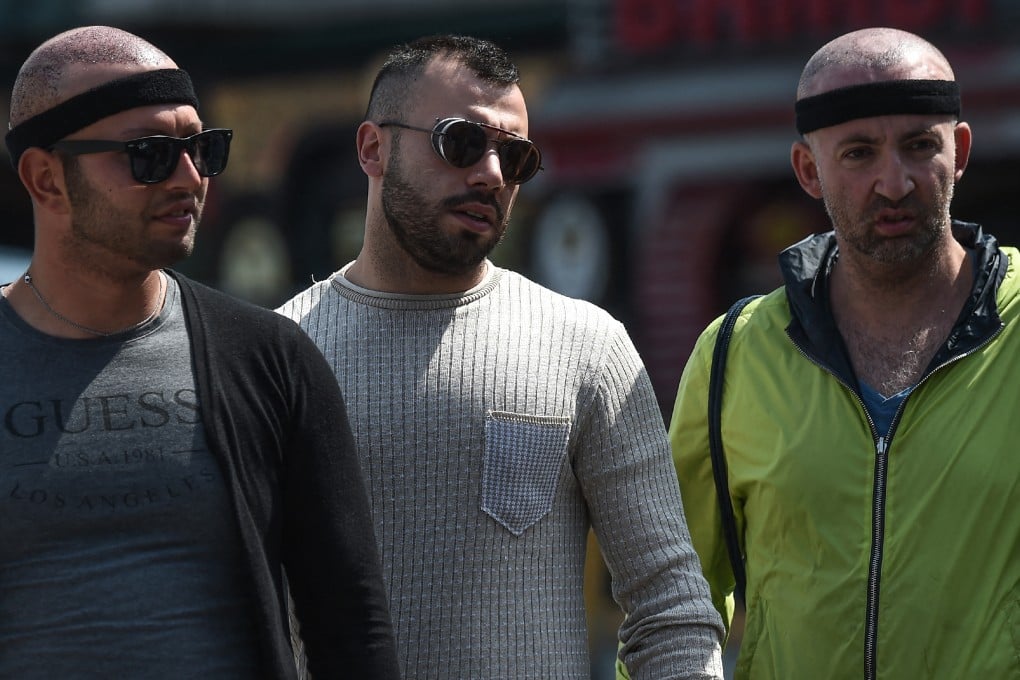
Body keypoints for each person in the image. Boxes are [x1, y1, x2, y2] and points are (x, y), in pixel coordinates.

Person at [277, 34, 725, 679]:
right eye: (460, 142)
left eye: (515, 157)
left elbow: (670, 606)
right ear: (373, 149)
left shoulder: (585, 345)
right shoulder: (278, 355)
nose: (491, 174)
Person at [0, 25, 399, 678]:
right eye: (150, 154)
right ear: (46, 179)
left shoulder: (269, 360)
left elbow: (351, 627)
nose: (190, 177)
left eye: (202, 149)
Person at [669, 26, 1020, 679]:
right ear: (809, 170)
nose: (894, 183)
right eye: (859, 154)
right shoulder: (733, 355)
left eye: (920, 146)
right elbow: (672, 599)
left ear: (960, 152)